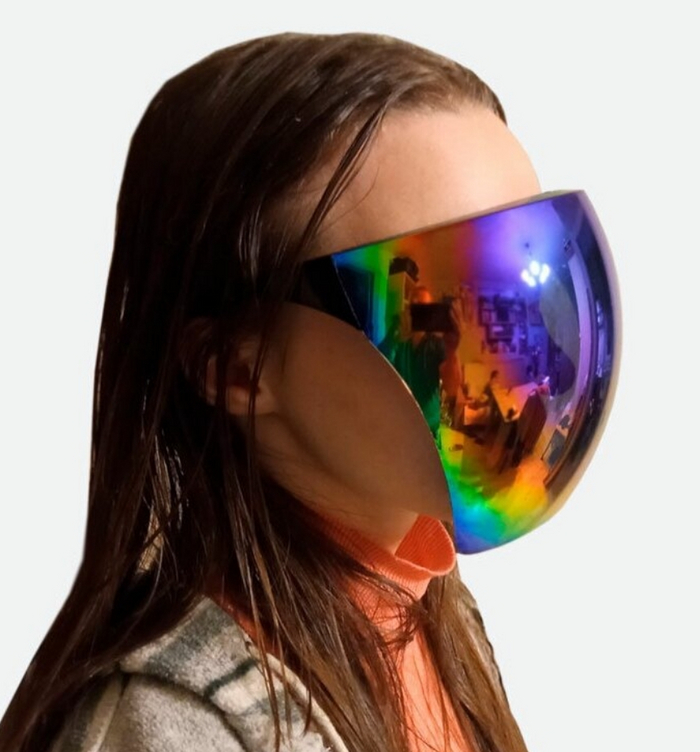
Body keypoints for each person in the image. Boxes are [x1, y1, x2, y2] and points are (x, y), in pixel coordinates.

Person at [0, 32, 542, 752]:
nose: (514, 356)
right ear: (236, 368)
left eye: (518, 290)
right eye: (429, 308)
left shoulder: (420, 600)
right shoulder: (179, 728)